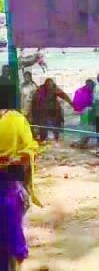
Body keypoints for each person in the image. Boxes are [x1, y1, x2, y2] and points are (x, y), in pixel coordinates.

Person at [0, 85, 42, 270]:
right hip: (10, 185)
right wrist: (15, 159)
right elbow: (31, 148)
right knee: (12, 232)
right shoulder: (17, 119)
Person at [30, 78, 73, 144]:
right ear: (46, 85)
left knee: (56, 125)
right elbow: (34, 101)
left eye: (51, 86)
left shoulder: (54, 88)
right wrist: (33, 113)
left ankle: (56, 139)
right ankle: (43, 139)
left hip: (54, 110)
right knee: (43, 126)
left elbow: (64, 96)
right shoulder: (40, 89)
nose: (50, 87)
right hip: (43, 111)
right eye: (49, 86)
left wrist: (71, 104)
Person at [71, 80, 95, 149]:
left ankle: (83, 143)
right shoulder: (80, 92)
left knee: (87, 128)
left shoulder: (83, 91)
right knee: (86, 127)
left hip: (87, 112)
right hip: (85, 112)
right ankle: (82, 143)